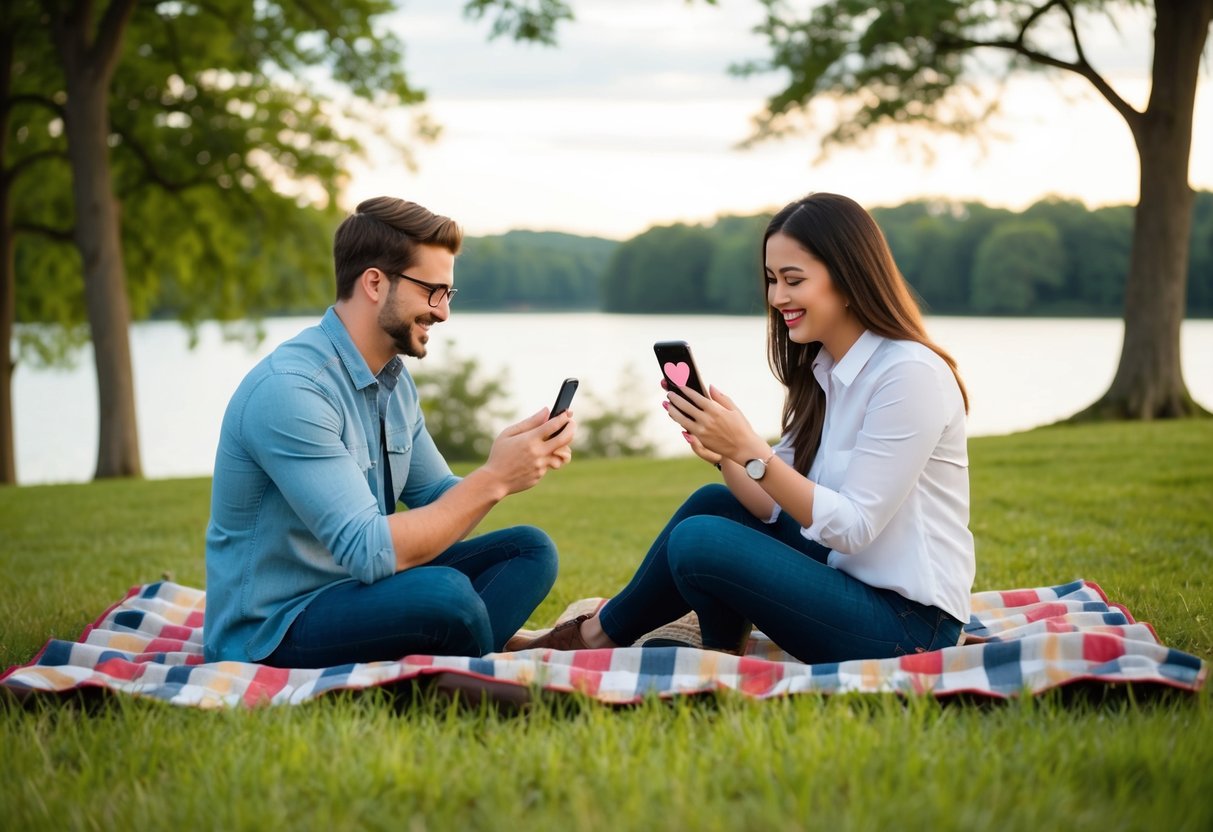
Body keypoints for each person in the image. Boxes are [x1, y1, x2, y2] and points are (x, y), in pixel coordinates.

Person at [519, 192, 974, 663]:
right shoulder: (826, 372)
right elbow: (772, 504)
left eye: (793, 280)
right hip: (849, 579)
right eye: (772, 280)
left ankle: (610, 640)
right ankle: (624, 638)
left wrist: (750, 450)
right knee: (714, 504)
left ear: (848, 277)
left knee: (700, 540)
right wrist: (726, 454)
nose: (777, 298)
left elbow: (853, 528)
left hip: (910, 625)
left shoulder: (908, 375)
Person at [204, 197, 576, 667]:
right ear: (375, 283)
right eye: (433, 292)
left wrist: (508, 463)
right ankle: (474, 656)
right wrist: (494, 479)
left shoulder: (393, 383)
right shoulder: (291, 390)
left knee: (529, 551)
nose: (444, 313)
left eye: (448, 294)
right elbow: (368, 549)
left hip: (363, 590)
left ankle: (462, 651)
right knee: (445, 596)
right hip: (275, 628)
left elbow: (438, 497)